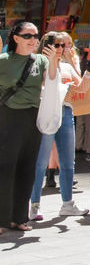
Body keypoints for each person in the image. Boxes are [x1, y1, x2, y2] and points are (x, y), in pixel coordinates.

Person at [0, 21, 55, 232]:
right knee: (5, 167)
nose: (33, 40)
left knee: (27, 167)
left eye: (35, 36)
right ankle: (2, 219)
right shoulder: (4, 60)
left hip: (33, 117)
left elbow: (51, 80)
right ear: (16, 38)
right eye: (27, 36)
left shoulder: (40, 60)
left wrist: (52, 61)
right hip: (7, 116)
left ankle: (19, 218)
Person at [30, 32, 89, 219]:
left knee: (68, 161)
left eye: (63, 45)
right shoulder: (37, 65)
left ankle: (67, 203)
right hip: (46, 111)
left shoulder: (66, 65)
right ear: (46, 46)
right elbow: (46, 83)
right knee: (40, 161)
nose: (61, 49)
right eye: (57, 45)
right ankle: (34, 204)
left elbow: (82, 88)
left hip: (65, 111)